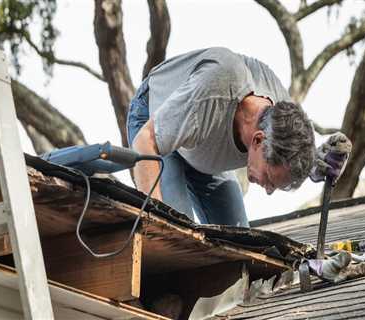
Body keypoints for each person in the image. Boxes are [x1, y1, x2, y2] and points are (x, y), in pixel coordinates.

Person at [127, 47, 350, 227]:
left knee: (239, 238)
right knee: (175, 229)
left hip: (202, 142)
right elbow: (145, 141)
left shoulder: (284, 118)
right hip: (155, 123)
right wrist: (154, 224)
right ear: (258, 140)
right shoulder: (214, 90)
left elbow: (296, 158)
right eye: (270, 180)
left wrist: (319, 164)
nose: (269, 190)